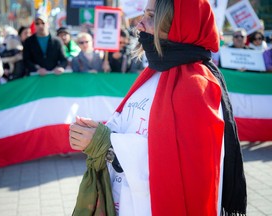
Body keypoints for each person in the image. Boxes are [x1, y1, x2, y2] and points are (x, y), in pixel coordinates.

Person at [69, 0, 247, 215]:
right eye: (144, 15)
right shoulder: (154, 72)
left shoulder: (197, 86)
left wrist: (106, 143)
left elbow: (181, 171)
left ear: (179, 25)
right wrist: (96, 133)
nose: (140, 24)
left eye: (151, 16)